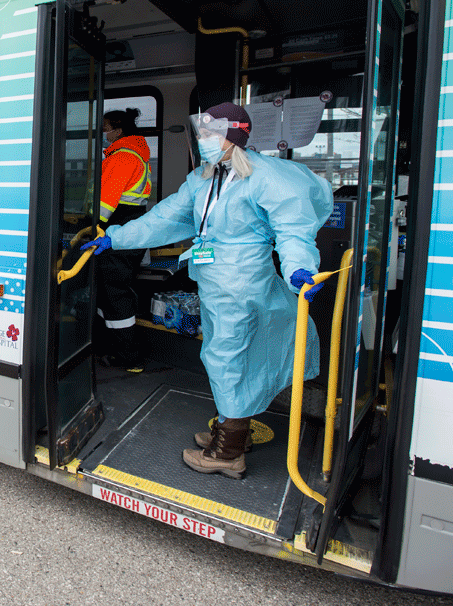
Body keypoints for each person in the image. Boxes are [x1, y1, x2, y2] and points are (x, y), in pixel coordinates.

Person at [83, 102, 332, 478]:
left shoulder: (265, 177)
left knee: (227, 358)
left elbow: (292, 228)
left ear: (234, 136)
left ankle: (227, 452)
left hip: (242, 282)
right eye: (203, 134)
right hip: (215, 282)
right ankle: (233, 430)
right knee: (225, 355)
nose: (205, 141)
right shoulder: (205, 178)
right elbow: (167, 216)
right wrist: (116, 238)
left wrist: (299, 269)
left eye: (212, 135)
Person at [93, 108, 152, 373]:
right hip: (126, 231)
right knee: (109, 294)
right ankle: (109, 350)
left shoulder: (123, 158)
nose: (103, 134)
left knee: (115, 295)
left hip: (118, 233)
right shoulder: (132, 155)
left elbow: (104, 205)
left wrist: (89, 228)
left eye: (105, 129)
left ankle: (130, 358)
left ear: (118, 131)